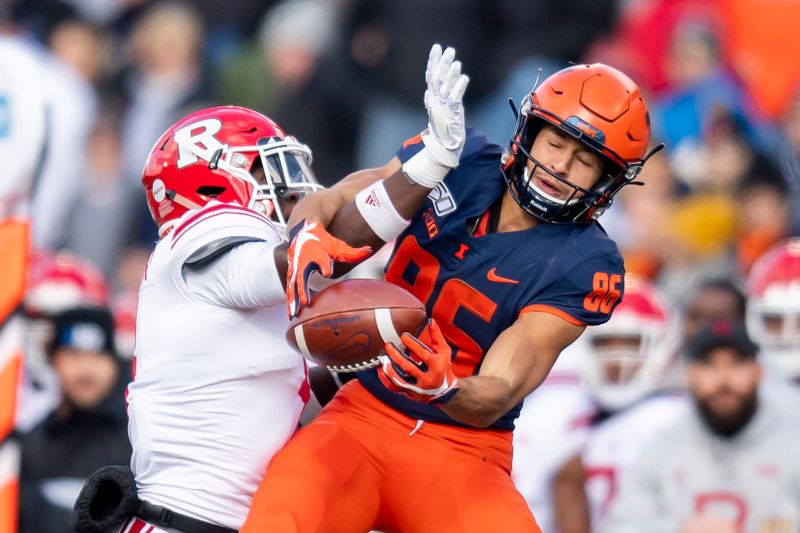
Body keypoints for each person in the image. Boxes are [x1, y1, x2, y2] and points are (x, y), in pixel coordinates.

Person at [242, 44, 659, 532]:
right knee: (279, 520)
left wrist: (446, 386)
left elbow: (501, 389)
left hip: (462, 449)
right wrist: (306, 232)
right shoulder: (461, 161)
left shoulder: (586, 261)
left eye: (586, 160)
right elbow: (335, 206)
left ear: (607, 181)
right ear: (528, 133)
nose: (562, 167)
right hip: (364, 415)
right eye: (556, 144)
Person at [105, 104, 433, 533]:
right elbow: (306, 257)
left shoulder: (238, 286)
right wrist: (422, 171)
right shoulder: (198, 237)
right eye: (265, 171)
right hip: (183, 521)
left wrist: (360, 369)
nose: (292, 191)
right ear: (209, 182)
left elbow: (273, 405)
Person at [603, 319, 800, 533]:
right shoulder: (663, 447)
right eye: (709, 364)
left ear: (758, 372)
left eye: (736, 363)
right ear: (689, 374)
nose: (723, 380)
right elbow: (620, 526)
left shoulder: (793, 441)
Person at [549, 277, 686, 532]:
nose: (617, 358)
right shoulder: (569, 415)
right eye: (605, 344)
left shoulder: (676, 416)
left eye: (631, 343)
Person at [18, 307, 131, 533]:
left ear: (113, 363)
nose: (86, 370)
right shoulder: (30, 445)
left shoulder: (139, 440)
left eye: (97, 356)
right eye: (73, 355)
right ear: (53, 359)